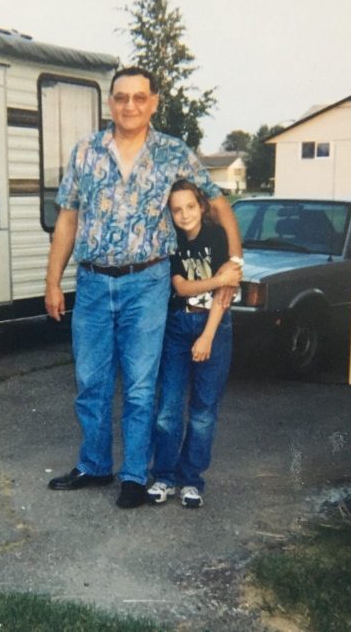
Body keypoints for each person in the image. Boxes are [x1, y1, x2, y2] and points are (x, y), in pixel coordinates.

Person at [44, 66, 242, 509]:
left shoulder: (174, 153)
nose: (129, 105)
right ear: (109, 103)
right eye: (120, 98)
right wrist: (52, 280)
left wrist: (236, 260)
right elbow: (68, 220)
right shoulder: (86, 152)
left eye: (138, 97)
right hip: (93, 284)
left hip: (149, 283)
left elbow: (218, 203)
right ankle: (94, 465)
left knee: (139, 386)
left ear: (153, 102)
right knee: (90, 381)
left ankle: (134, 475)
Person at [147, 180, 239, 509]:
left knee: (202, 411)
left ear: (201, 206)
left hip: (212, 325)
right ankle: (164, 476)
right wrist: (219, 279)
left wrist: (208, 336)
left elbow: (224, 295)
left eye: (189, 206)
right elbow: (182, 287)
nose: (184, 215)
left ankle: (191, 480)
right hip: (177, 327)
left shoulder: (216, 237)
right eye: (176, 209)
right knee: (167, 410)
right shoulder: (170, 243)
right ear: (170, 214)